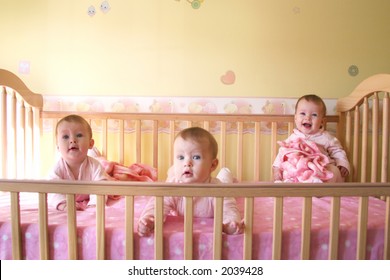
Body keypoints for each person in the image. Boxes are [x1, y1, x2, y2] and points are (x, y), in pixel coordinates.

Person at [137, 127, 244, 236]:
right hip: (175, 178)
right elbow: (157, 205)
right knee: (173, 175)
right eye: (181, 157)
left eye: (196, 157)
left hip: (220, 181)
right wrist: (149, 220)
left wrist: (231, 223)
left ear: (212, 165)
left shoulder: (218, 189)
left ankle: (226, 171)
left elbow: (229, 208)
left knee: (225, 179)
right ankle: (173, 170)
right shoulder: (173, 187)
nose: (187, 162)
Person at [272, 94, 350, 183]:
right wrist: (277, 169)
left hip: (321, 171)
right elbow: (282, 153)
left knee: (334, 171)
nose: (307, 117)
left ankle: (317, 184)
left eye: (314, 115)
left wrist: (342, 164)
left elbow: (337, 151)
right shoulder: (293, 137)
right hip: (299, 172)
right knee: (289, 168)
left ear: (322, 121)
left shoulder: (326, 137)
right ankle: (290, 182)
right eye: (302, 113)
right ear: (296, 118)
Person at [48, 114, 113, 210]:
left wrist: (95, 205)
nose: (72, 140)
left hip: (90, 199)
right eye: (65, 137)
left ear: (90, 144)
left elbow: (101, 187)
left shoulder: (95, 166)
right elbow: (52, 191)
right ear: (58, 147)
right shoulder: (57, 168)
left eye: (79, 135)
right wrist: (64, 204)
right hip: (66, 199)